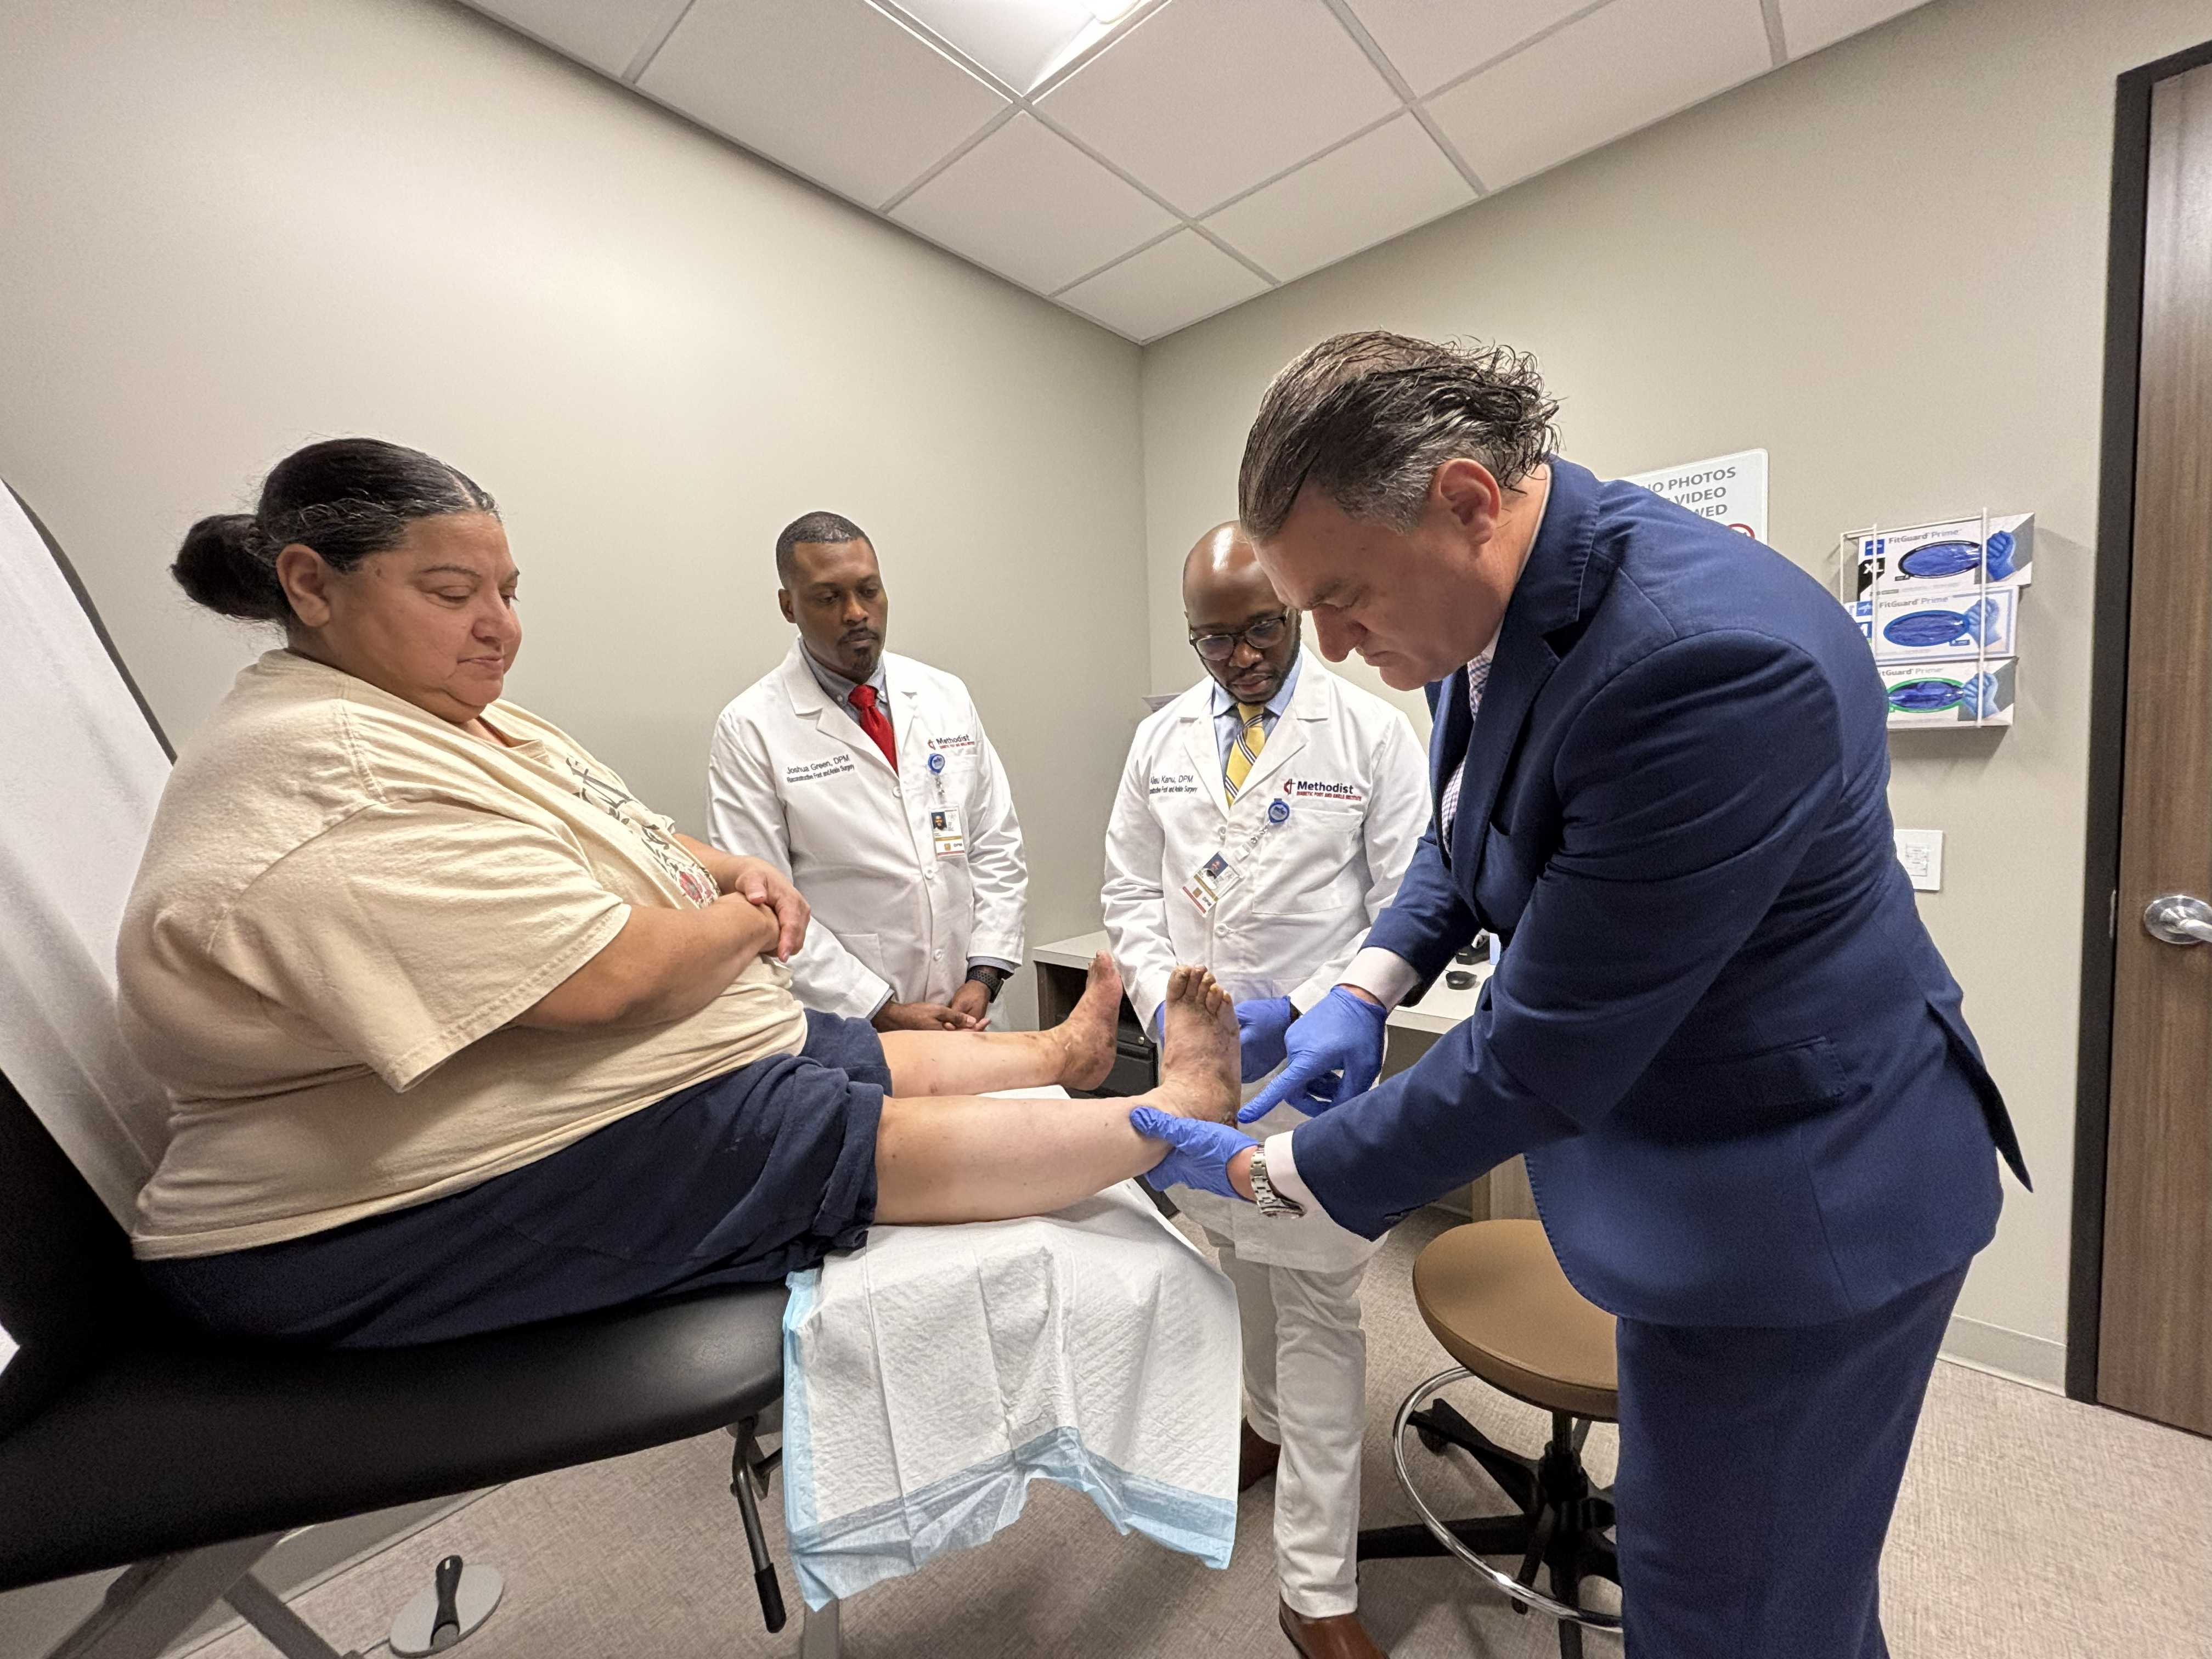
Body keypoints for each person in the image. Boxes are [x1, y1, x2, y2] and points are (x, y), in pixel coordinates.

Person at [1133, 334, 2028, 1659]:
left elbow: (1538, 1057)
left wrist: (1289, 1174)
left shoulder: (1702, 664)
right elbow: (1462, 831)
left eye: (1341, 597)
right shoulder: (1503, 605)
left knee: (1728, 1617)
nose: (1323, 642)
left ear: (1464, 501)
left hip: (1803, 1202)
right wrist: (1368, 988)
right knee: (1776, 1586)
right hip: (1700, 1167)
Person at [118, 439, 1239, 1348]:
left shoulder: (457, 722)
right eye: (453, 593)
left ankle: (1055, 1060)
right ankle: (1162, 1119)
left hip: (851, 989)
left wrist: (743, 884)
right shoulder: (338, 774)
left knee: (796, 1038)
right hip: (345, 1209)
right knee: (786, 1108)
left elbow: (648, 833)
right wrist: (753, 916)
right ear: (310, 585)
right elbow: (612, 981)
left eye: (506, 592)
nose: (499, 624)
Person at [1102, 523, 1425, 1659]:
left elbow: (1406, 906)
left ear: (1291, 609)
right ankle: (1262, 1427)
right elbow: (1130, 897)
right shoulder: (1161, 740)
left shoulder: (1374, 735)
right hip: (1207, 1078)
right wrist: (1172, 1017)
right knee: (1232, 1259)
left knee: (1323, 1310)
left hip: (1316, 1073)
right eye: (1211, 638)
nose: (1237, 658)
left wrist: (1317, 1000)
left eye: (1259, 630)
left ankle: (1316, 1589)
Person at [708, 513, 1025, 1034]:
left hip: (975, 1010)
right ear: (789, 606)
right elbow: (767, 906)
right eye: (828, 598)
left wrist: (984, 975)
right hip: (852, 1024)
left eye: (869, 590)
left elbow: (995, 846)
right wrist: (882, 1010)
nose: (857, 613)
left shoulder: (945, 695)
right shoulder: (751, 728)